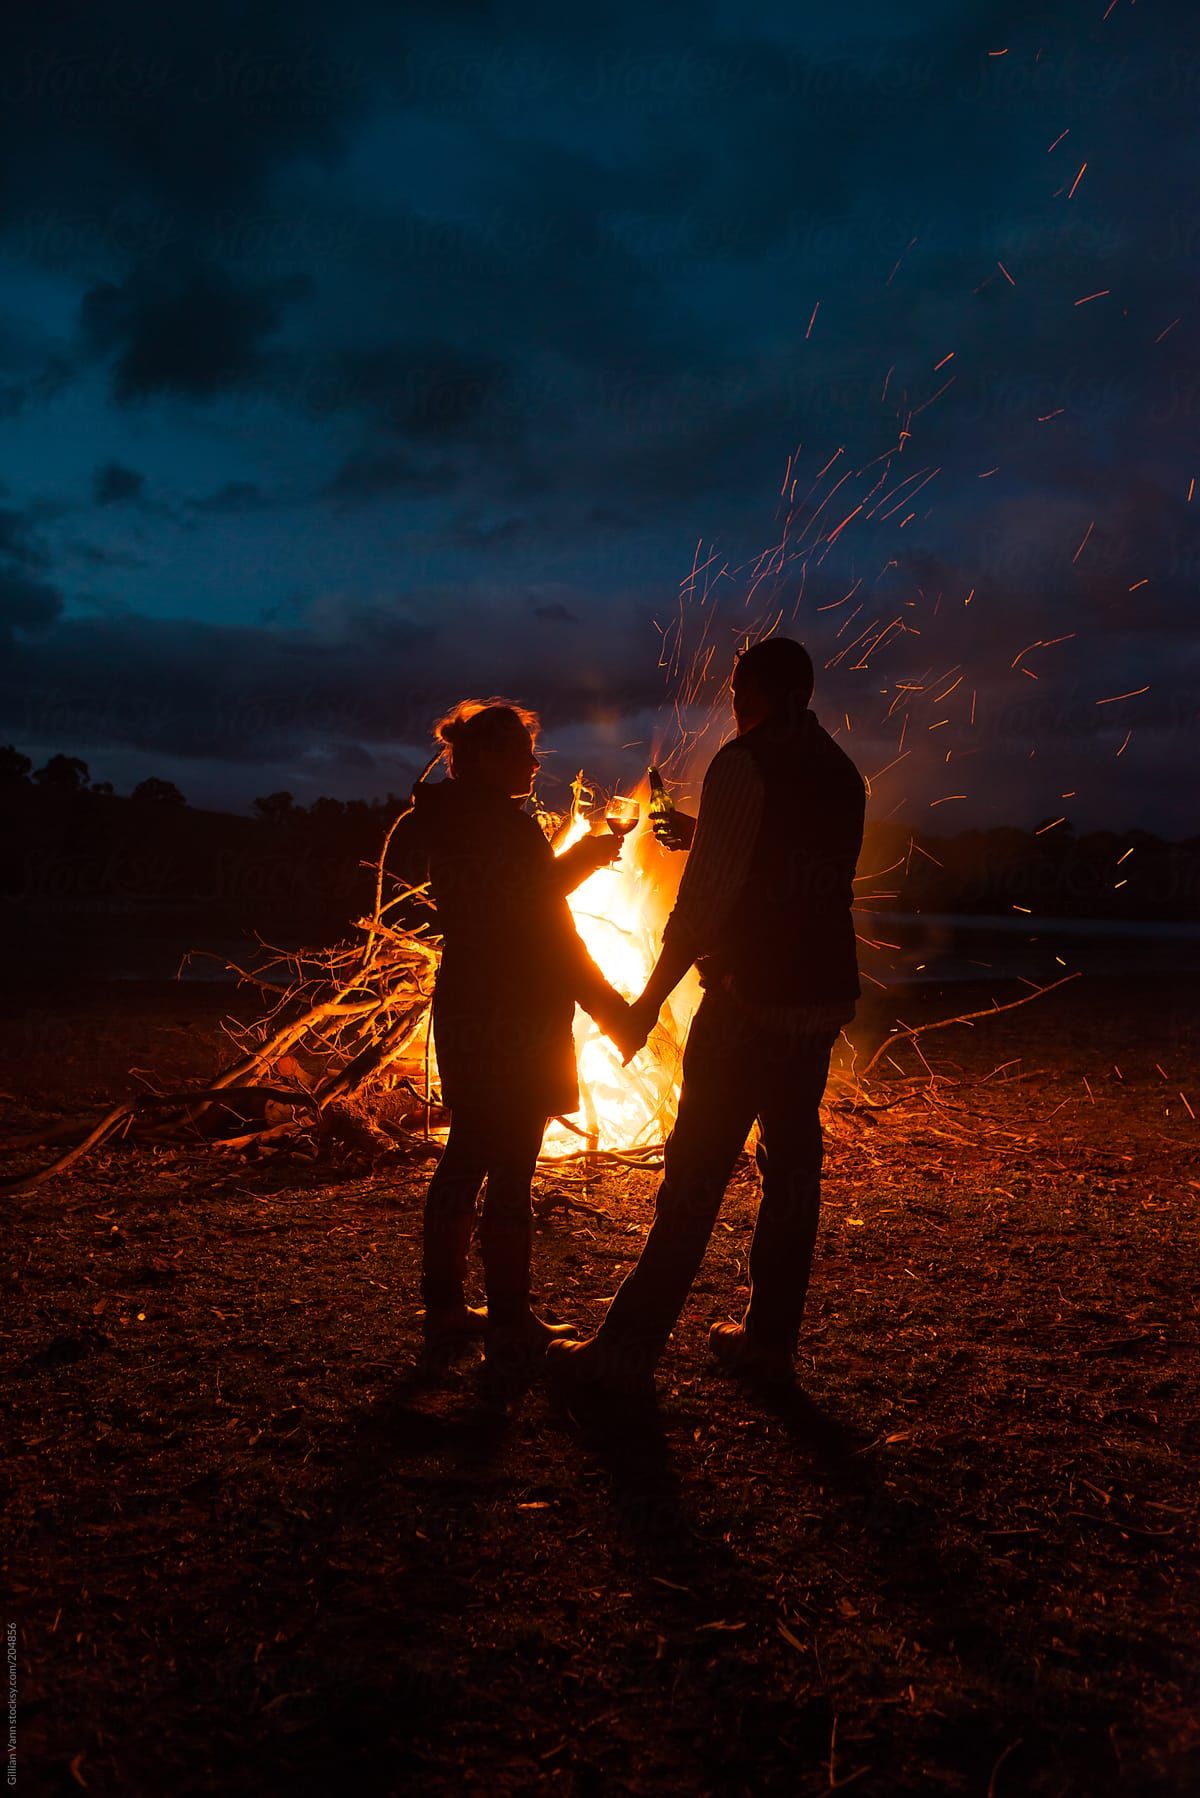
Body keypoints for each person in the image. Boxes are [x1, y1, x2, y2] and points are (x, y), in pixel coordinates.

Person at [548, 638, 865, 1399]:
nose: (731, 703)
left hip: (750, 1001)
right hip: (821, 999)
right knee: (792, 1170)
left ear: (752, 691)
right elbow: (791, 871)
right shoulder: (841, 771)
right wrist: (703, 834)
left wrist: (645, 1005)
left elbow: (700, 912)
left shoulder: (742, 761)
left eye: (735, 689)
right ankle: (767, 1345)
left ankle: (625, 1351)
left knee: (694, 1175)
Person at [391, 699, 638, 1369]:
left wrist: (577, 861)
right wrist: (612, 1009)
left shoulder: (453, 820)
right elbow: (543, 927)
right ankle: (508, 1320)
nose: (533, 763)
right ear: (486, 758)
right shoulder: (502, 827)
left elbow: (516, 901)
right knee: (512, 1165)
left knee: (468, 1147)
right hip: (518, 1009)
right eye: (521, 751)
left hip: (469, 1001)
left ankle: (442, 1305)